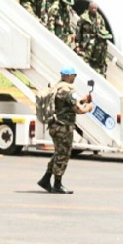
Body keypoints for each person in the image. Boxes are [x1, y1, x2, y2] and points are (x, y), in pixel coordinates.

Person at [37, 66, 93, 194]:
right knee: (63, 155)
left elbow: (65, 104)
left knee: (58, 154)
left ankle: (45, 179)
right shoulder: (68, 89)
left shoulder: (57, 87)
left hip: (54, 125)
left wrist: (83, 100)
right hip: (63, 127)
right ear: (68, 76)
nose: (74, 77)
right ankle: (57, 184)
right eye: (74, 75)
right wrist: (88, 107)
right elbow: (77, 109)